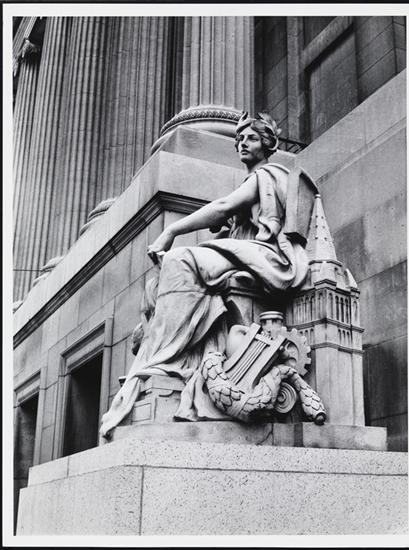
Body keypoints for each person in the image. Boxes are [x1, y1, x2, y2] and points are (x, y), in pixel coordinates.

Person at [100, 112, 309, 437]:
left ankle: (166, 358)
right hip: (248, 253)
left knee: (181, 259)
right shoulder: (255, 180)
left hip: (269, 257)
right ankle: (164, 357)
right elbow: (230, 218)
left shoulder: (266, 175)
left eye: (252, 138)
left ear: (268, 145)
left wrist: (172, 230)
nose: (243, 143)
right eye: (239, 139)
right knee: (158, 281)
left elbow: (224, 207)